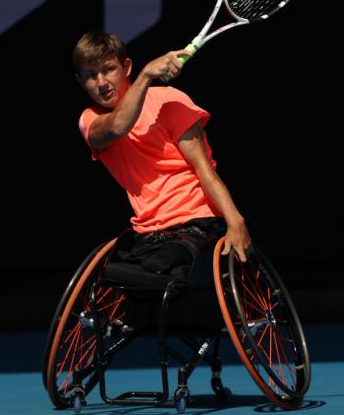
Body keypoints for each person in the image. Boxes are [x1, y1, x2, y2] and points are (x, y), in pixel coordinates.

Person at [73, 31, 251, 285]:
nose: (101, 82)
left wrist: (236, 221)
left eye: (108, 70)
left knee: (160, 269)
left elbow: (204, 170)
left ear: (126, 67)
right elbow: (117, 126)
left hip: (197, 223)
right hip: (148, 234)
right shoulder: (90, 120)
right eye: (91, 76)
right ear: (81, 81)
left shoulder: (169, 101)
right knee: (110, 279)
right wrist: (147, 73)